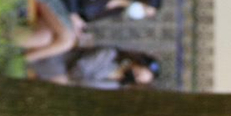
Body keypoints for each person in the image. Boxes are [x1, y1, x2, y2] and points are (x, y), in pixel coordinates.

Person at [30, 46, 160, 88]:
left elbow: (87, 86)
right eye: (137, 73)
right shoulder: (110, 54)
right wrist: (72, 79)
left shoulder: (114, 85)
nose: (134, 77)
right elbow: (80, 66)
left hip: (69, 82)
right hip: (62, 62)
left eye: (137, 79)